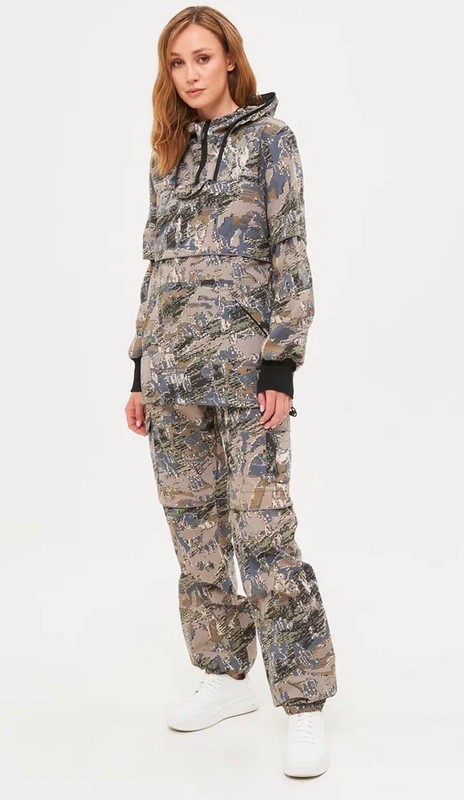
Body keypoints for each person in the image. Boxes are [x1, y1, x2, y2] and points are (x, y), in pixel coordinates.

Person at [124, 5, 337, 778]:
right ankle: (223, 674)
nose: (190, 74)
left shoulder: (271, 141)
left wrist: (280, 366)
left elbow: (292, 254)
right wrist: (140, 371)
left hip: (247, 378)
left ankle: (304, 704)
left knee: (265, 538)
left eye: (203, 58)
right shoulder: (167, 152)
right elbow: (157, 268)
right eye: (177, 62)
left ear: (230, 61)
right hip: (173, 381)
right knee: (196, 536)